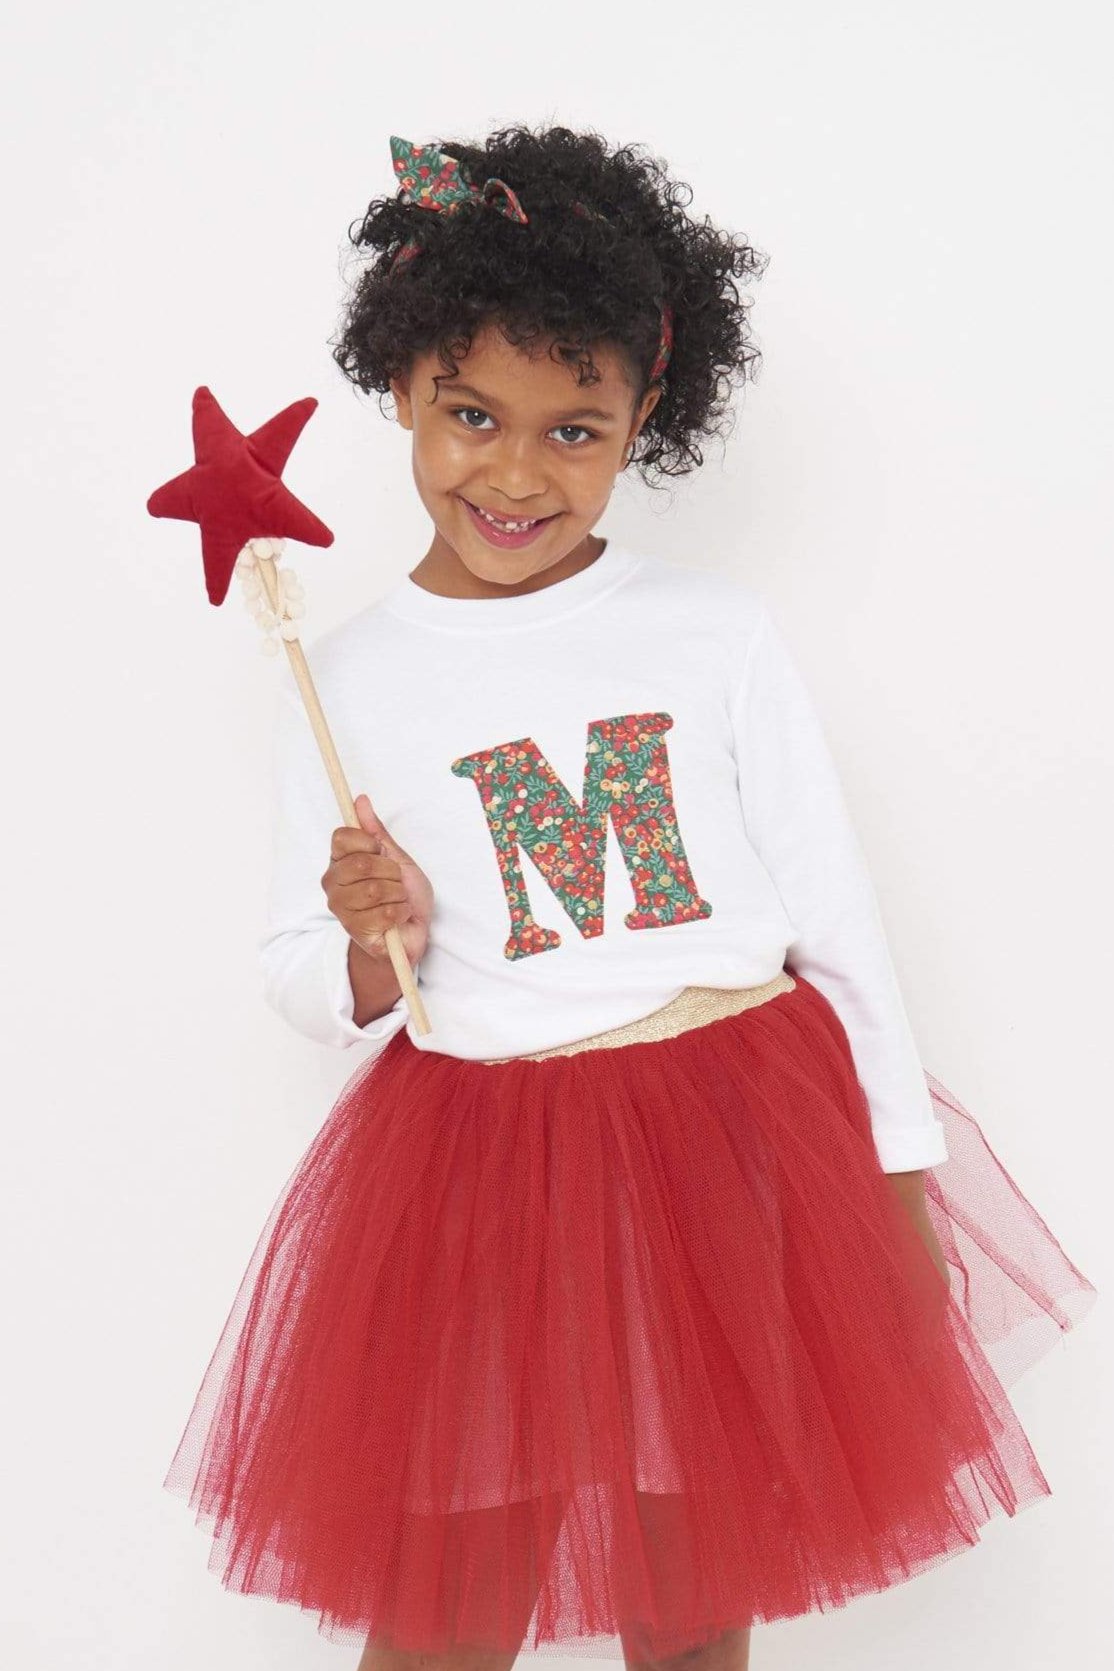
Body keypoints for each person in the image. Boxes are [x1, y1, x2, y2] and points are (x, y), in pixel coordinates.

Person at [162, 126, 1096, 1670]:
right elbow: (295, 975)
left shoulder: (708, 634)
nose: (515, 473)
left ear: (642, 418)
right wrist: (364, 938)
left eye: (573, 428)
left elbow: (832, 918)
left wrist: (899, 1180)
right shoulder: (346, 681)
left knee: (688, 1586)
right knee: (451, 1600)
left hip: (723, 1144)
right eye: (470, 415)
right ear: (401, 387)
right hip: (480, 1169)